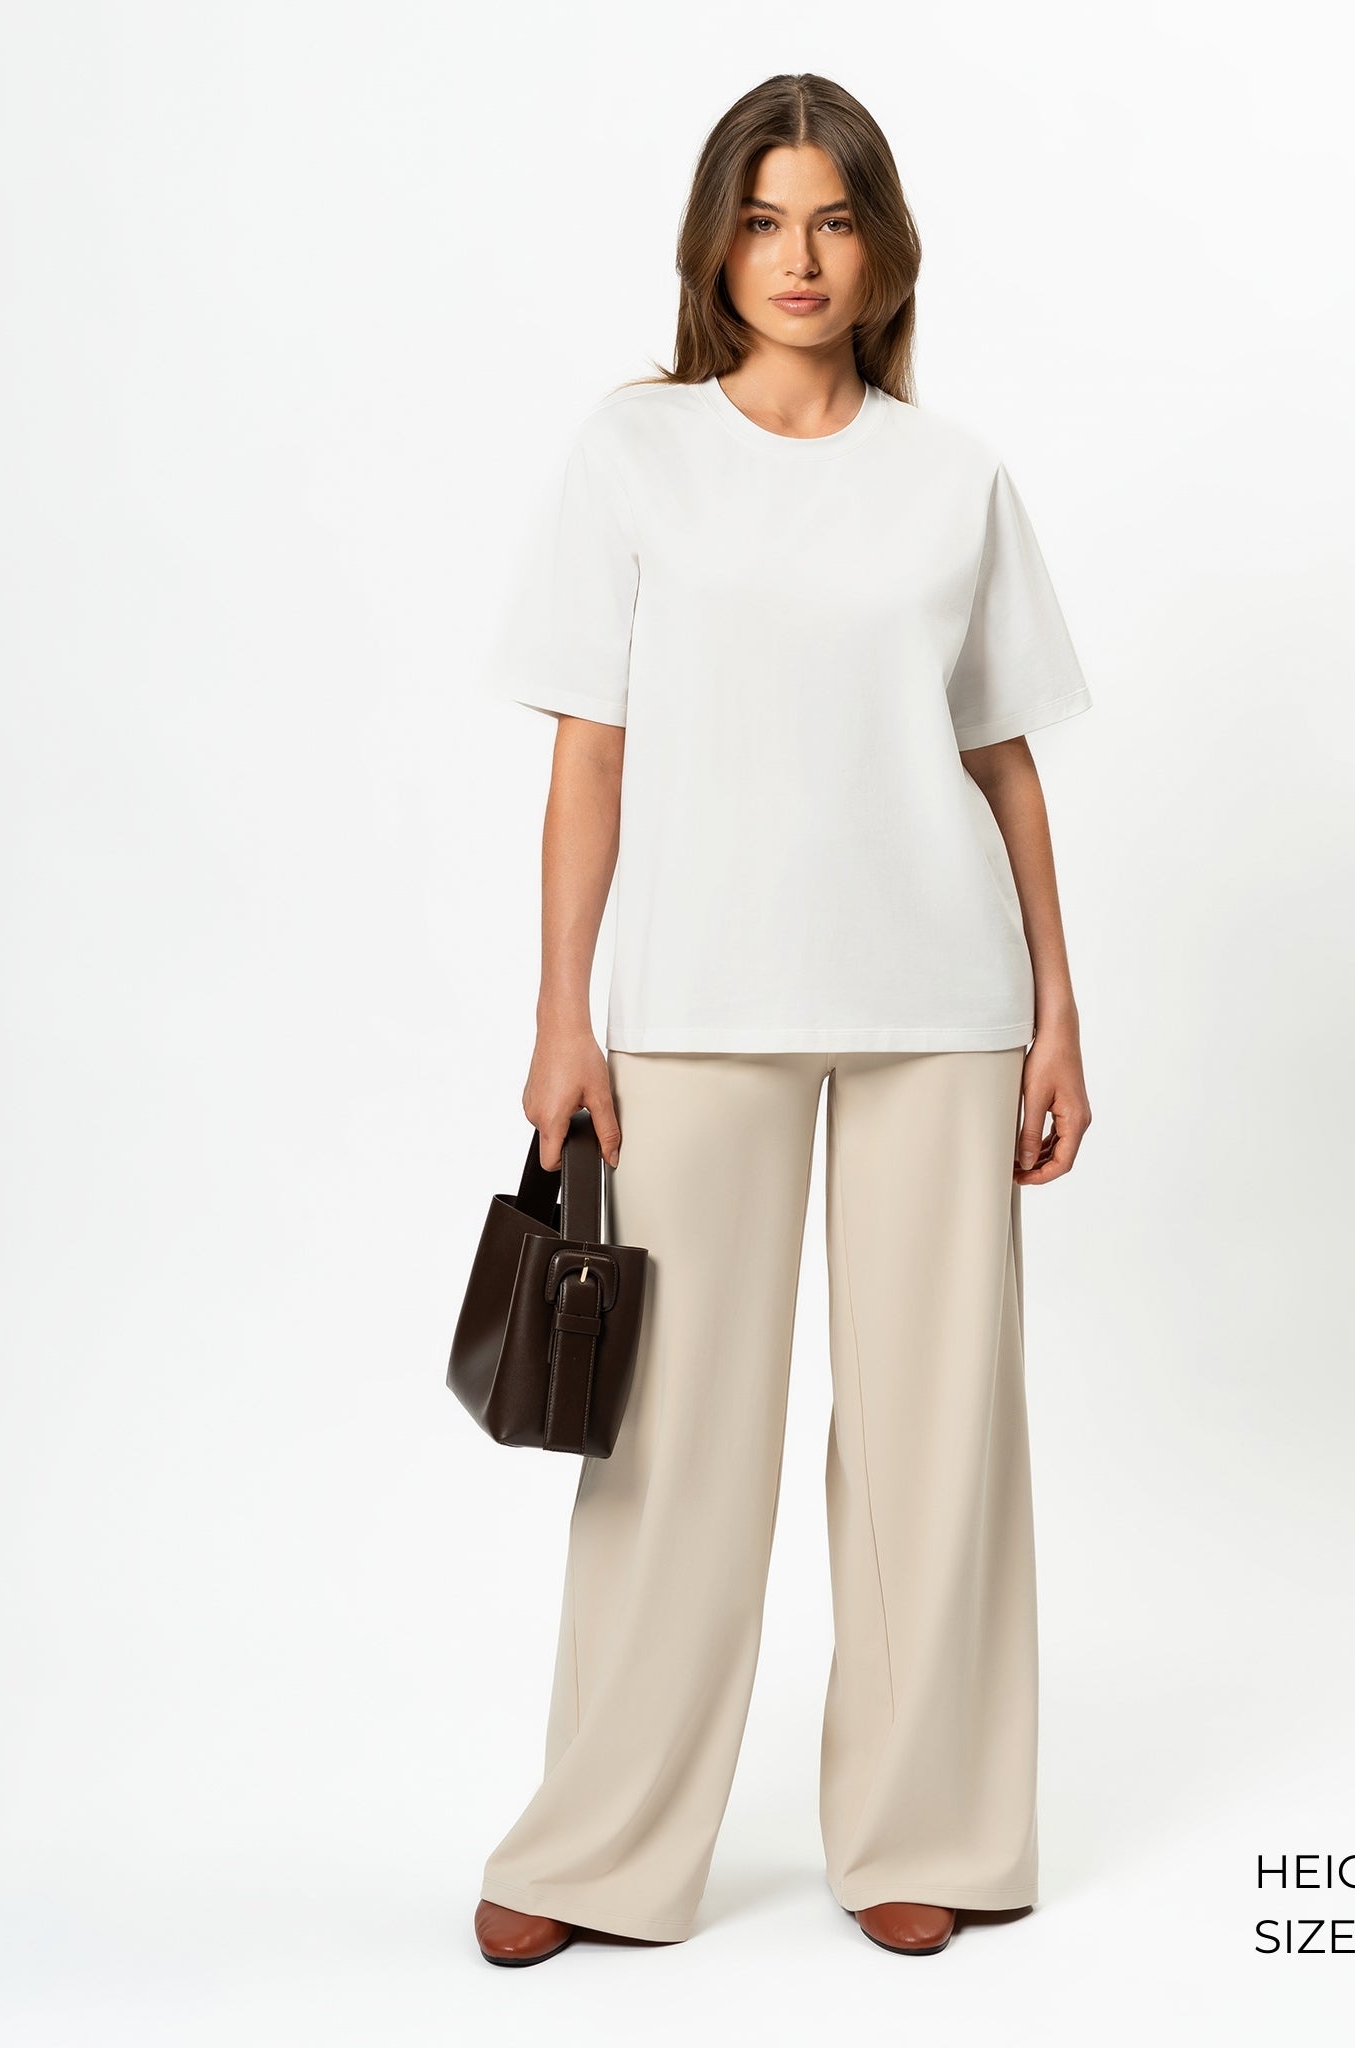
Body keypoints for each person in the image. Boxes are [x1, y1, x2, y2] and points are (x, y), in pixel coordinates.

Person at [470, 71, 1095, 1965]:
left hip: (938, 999)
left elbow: (1000, 758)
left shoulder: (953, 475)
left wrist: (1058, 1011)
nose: (797, 258)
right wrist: (563, 1012)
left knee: (934, 1438)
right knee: (666, 1442)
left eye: (831, 220)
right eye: (762, 220)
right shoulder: (635, 451)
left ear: (882, 246)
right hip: (694, 998)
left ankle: (930, 1826)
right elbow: (590, 757)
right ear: (715, 246)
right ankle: (600, 1846)